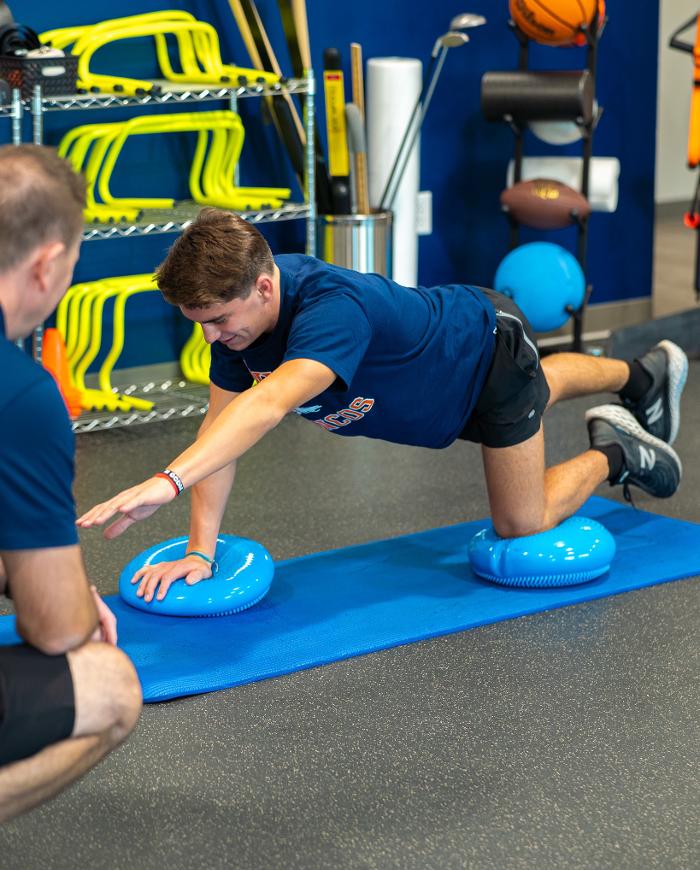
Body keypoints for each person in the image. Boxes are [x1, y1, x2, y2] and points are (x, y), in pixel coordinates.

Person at [77, 209, 687, 603]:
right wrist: (200, 551)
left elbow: (266, 408)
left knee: (519, 522)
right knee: (542, 387)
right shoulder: (238, 327)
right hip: (438, 392)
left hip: (486, 349)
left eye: (216, 320)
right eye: (198, 324)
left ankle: (619, 451)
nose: (209, 337)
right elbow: (221, 428)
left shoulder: (331, 309)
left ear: (264, 287)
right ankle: (644, 375)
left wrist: (167, 481)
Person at [0, 145, 141, 823]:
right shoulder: (24, 396)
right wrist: (74, 605)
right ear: (48, 264)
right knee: (111, 686)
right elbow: (55, 631)